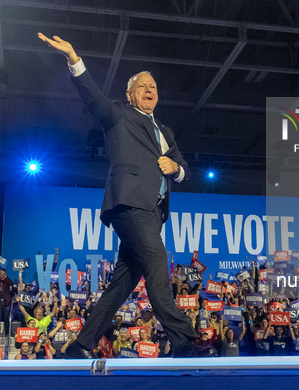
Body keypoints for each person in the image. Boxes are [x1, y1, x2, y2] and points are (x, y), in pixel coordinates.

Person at [37, 32, 211, 359]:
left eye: (154, 87)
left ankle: (80, 346)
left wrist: (176, 167)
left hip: (151, 212)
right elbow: (92, 97)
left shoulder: (165, 132)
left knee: (121, 286)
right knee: (158, 264)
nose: (149, 90)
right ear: (129, 95)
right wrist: (74, 57)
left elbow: (185, 169)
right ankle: (186, 342)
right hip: (130, 205)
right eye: (142, 86)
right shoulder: (118, 116)